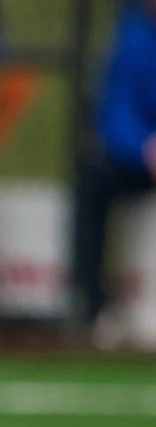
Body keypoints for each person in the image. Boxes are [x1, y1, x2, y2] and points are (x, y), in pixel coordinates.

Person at [77, 0, 156, 339]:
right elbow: (116, 114)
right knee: (95, 181)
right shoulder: (132, 36)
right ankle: (93, 308)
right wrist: (145, 147)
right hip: (138, 161)